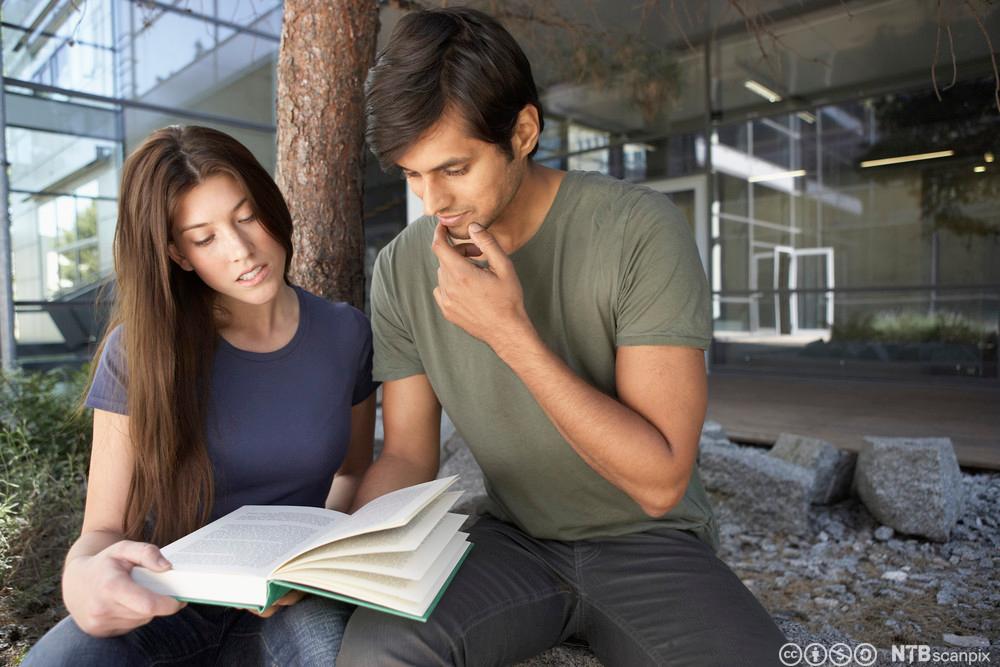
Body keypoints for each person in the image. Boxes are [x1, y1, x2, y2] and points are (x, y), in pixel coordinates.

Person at [337, 7, 786, 667]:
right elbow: (406, 455)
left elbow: (660, 481)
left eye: (454, 168)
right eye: (412, 173)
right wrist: (337, 557)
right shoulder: (403, 267)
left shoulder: (638, 230)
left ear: (522, 131)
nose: (432, 200)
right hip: (513, 541)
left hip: (652, 541)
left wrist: (510, 333)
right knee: (380, 654)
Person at [25, 125, 377, 666]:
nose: (241, 250)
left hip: (293, 598)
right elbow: (100, 530)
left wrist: (316, 564)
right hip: (167, 596)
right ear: (178, 254)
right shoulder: (140, 351)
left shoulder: (346, 333)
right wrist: (83, 582)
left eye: (246, 217)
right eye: (205, 237)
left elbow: (353, 472)